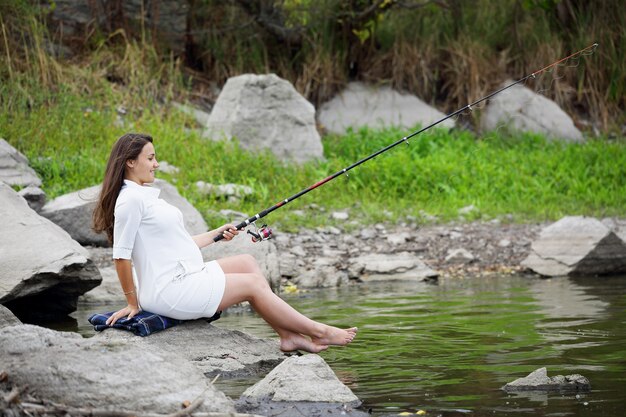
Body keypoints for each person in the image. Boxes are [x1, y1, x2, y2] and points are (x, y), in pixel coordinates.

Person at [92, 133, 357, 353]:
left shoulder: (144, 195)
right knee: (252, 285)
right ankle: (318, 331)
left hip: (181, 276)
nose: (156, 164)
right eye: (150, 158)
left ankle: (288, 335)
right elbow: (121, 256)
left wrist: (216, 233)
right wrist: (132, 304)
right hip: (167, 292)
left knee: (247, 262)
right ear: (129, 162)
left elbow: (178, 244)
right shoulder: (130, 200)